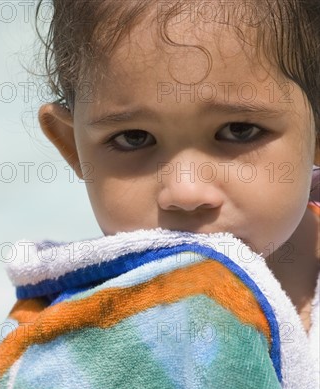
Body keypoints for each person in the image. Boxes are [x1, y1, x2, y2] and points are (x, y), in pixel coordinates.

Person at [34, 0, 320, 336]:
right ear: (72, 146)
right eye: (134, 137)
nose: (186, 192)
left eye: (239, 131)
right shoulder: (73, 335)